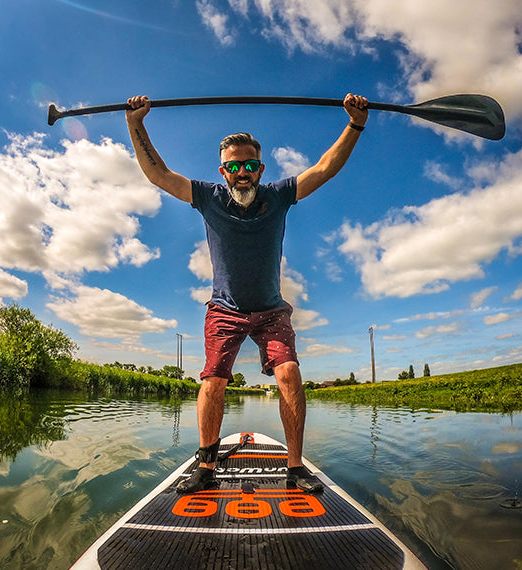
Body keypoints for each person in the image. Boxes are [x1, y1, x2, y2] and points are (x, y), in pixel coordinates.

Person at [125, 93, 369, 493]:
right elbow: (159, 176)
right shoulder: (208, 198)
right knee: (213, 381)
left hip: (271, 310)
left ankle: (295, 468)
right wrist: (136, 124)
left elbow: (324, 169)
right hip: (224, 309)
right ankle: (206, 467)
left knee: (289, 374)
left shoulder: (278, 196)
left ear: (260, 168)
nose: (242, 173)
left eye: (249, 165)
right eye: (234, 166)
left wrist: (355, 124)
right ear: (223, 170)